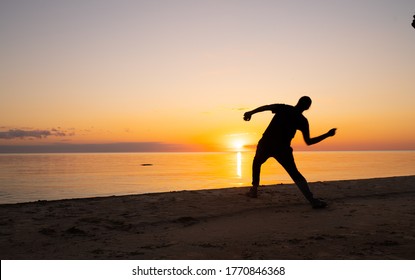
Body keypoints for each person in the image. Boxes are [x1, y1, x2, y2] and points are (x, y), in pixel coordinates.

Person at [243, 96, 336, 209]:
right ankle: (312, 200)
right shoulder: (301, 119)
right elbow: (309, 142)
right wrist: (327, 135)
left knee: (257, 162)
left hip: (269, 144)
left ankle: (254, 189)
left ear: (298, 102)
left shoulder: (285, 108)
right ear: (308, 107)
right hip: (280, 147)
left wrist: (251, 113)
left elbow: (266, 107)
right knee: (294, 173)